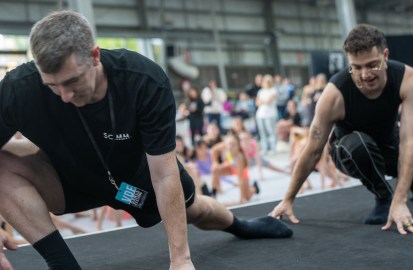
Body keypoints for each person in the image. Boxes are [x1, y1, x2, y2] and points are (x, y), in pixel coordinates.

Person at [0, 11, 292, 270]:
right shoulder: (17, 90)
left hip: (138, 176)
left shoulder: (143, 80)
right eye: (52, 85)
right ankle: (62, 264)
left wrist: (181, 261)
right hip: (66, 176)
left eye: (72, 81)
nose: (65, 95)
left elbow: (164, 175)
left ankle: (240, 226)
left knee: (197, 210)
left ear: (95, 56)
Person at [270, 24, 413, 235]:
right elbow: (312, 149)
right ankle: (384, 197)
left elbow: (409, 141)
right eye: (356, 67)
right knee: (358, 143)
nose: (364, 74)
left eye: (371, 65)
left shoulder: (408, 79)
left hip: (388, 146)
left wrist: (402, 201)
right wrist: (288, 198)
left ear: (385, 55)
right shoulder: (334, 95)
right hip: (349, 150)